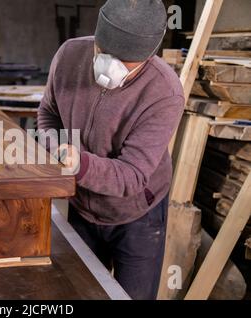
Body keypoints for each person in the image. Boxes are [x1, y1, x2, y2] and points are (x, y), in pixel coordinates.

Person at [38, 0, 184, 300]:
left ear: (148, 56)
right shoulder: (69, 56)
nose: (109, 66)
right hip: (81, 204)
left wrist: (78, 164)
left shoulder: (164, 93)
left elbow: (132, 176)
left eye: (125, 61)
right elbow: (48, 114)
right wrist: (55, 147)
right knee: (81, 292)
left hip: (136, 216)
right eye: (103, 53)